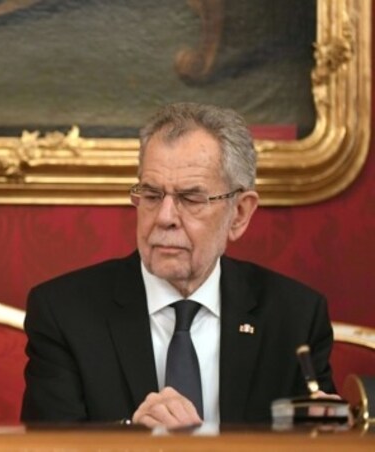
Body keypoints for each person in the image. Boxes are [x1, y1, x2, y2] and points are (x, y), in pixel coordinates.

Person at [21, 102, 335, 428]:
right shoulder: (64, 312)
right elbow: (49, 445)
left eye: (191, 198)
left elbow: (320, 436)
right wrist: (131, 440)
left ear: (239, 214)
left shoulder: (294, 315)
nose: (165, 218)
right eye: (152, 195)